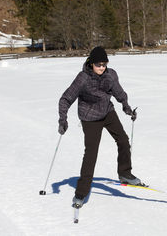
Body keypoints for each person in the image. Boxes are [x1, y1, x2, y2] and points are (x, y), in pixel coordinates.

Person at [58, 46, 142, 208]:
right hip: (89, 118)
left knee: (123, 140)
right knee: (91, 153)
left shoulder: (110, 74)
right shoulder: (82, 78)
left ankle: (124, 173)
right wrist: (63, 120)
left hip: (107, 112)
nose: (102, 68)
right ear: (91, 64)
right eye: (98, 65)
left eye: (104, 64)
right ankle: (81, 193)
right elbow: (65, 99)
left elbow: (119, 92)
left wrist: (127, 107)